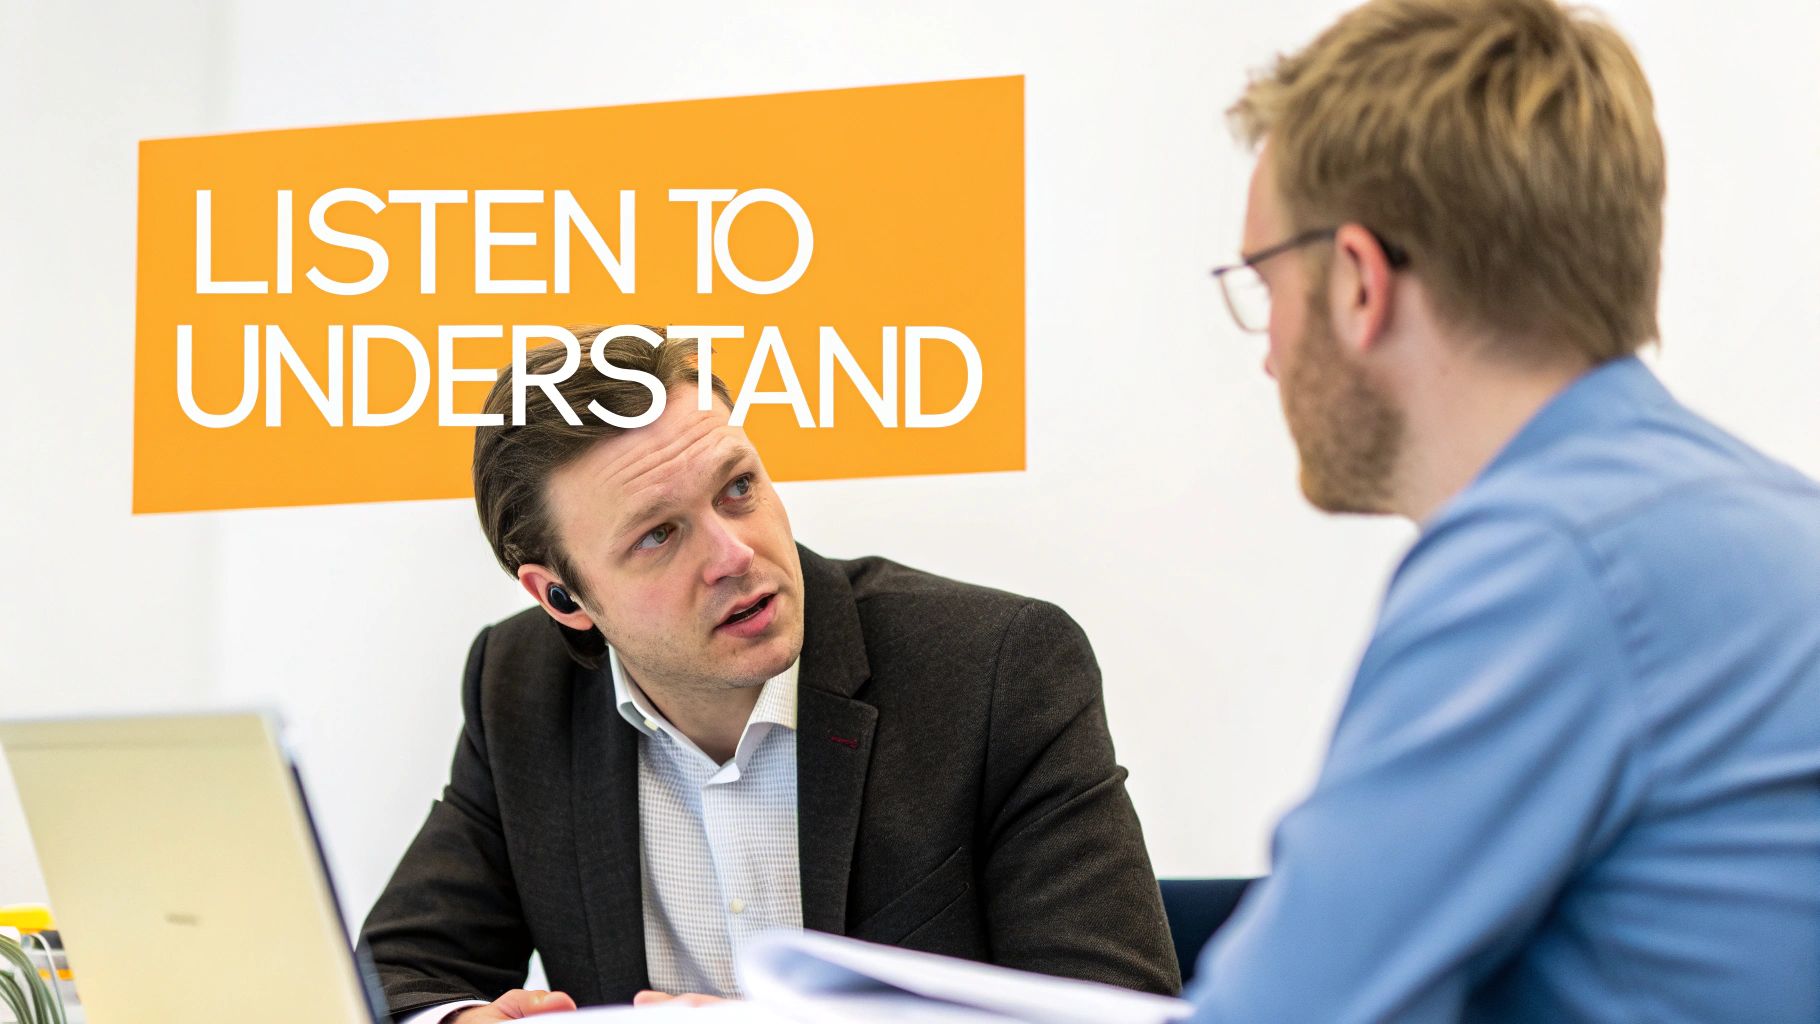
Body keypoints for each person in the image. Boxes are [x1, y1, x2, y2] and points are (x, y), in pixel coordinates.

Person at [1190, 1, 1820, 1021]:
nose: (1265, 353)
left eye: (1266, 286)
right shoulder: (1762, 523)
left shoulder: (1547, 561)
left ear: (1357, 280)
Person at [359, 327, 1179, 1022]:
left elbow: (1111, 1007)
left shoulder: (996, 670)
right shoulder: (519, 690)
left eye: (739, 488)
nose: (733, 555)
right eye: (658, 536)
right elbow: (396, 972)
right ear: (565, 597)